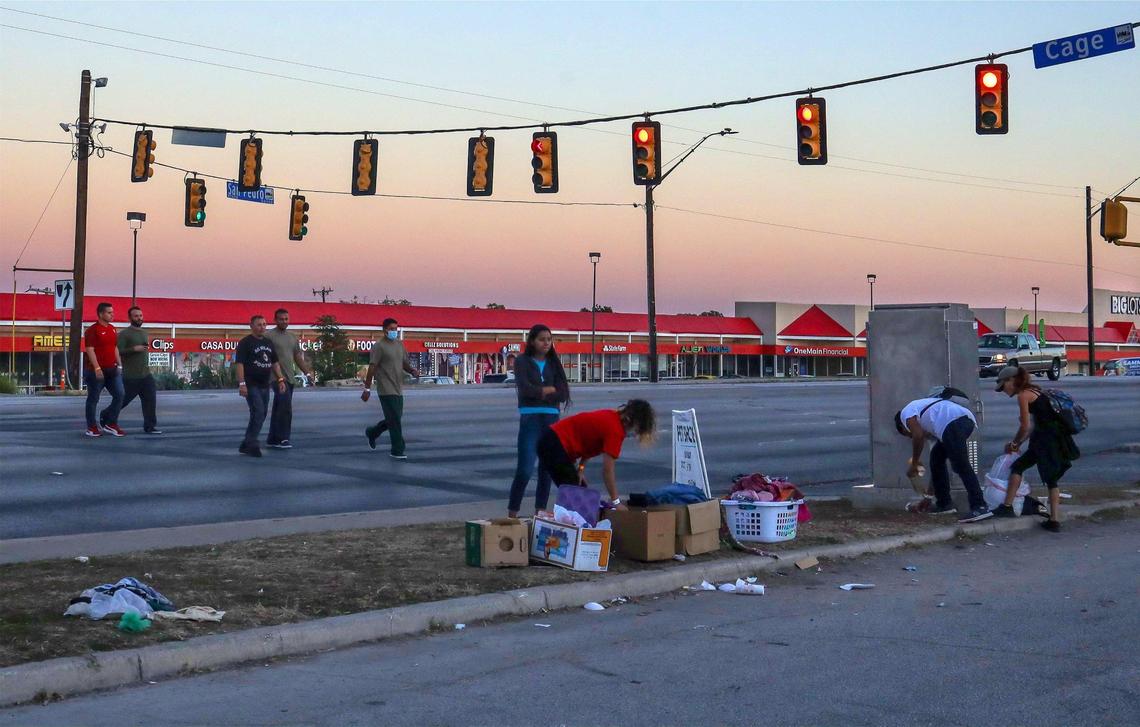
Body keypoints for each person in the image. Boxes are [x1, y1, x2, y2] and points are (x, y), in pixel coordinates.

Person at [994, 365, 1079, 532]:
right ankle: (1054, 520)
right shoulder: (1036, 392)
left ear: (1011, 380)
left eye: (1003, 386)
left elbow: (1025, 426)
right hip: (1055, 439)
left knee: (1017, 467)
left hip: (1044, 442)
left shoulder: (1023, 396)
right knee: (1051, 479)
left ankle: (1007, 506)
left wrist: (1015, 443)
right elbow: (1033, 426)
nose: (1004, 390)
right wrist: (1017, 444)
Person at [536, 399, 656, 509]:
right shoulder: (615, 431)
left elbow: (588, 443)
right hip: (554, 444)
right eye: (638, 430)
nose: (636, 434)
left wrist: (581, 469)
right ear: (633, 423)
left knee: (580, 492)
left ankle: (570, 523)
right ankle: (567, 526)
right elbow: (607, 471)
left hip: (553, 440)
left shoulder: (612, 416)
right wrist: (616, 502)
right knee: (577, 497)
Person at [507, 325, 571, 517]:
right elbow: (525, 389)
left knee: (546, 469)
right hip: (530, 418)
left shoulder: (554, 363)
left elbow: (563, 392)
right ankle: (512, 513)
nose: (546, 343)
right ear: (532, 341)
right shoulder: (522, 361)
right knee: (525, 468)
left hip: (552, 418)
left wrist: (545, 392)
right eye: (542, 339)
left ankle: (540, 513)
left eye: (549, 339)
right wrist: (546, 390)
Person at [895, 393, 991, 522]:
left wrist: (915, 464)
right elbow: (936, 472)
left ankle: (980, 506)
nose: (911, 436)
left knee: (961, 465)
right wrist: (928, 497)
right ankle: (944, 503)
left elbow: (918, 436)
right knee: (936, 459)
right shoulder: (928, 417)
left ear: (903, 427)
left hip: (952, 423)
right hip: (964, 420)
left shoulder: (905, 414)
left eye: (908, 434)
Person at [361, 318, 420, 459]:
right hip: (385, 388)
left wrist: (412, 370)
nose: (394, 331)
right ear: (384, 330)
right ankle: (397, 450)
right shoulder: (379, 346)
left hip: (398, 387)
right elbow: (372, 367)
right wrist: (367, 388)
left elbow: (403, 363)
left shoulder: (399, 345)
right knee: (394, 420)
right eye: (391, 329)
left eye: (396, 328)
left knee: (395, 418)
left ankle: (373, 432)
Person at [264, 308, 317, 449]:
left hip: (290, 377)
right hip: (275, 377)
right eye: (281, 319)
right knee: (285, 407)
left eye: (286, 319)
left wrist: (307, 373)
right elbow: (264, 357)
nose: (284, 321)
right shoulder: (268, 336)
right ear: (275, 320)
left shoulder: (292, 337)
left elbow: (297, 357)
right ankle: (283, 438)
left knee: (279, 407)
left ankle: (272, 438)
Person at [235, 315, 287, 457]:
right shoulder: (245, 343)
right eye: (259, 325)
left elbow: (274, 363)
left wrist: (280, 379)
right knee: (258, 412)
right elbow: (239, 364)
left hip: (265, 384)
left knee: (262, 414)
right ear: (251, 326)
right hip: (251, 384)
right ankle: (252, 443)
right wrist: (242, 384)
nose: (262, 327)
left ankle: (247, 443)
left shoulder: (268, 343)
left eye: (264, 324)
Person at [106, 305, 161, 434]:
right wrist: (133, 349)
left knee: (150, 401)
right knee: (123, 401)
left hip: (145, 375)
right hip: (131, 376)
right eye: (136, 316)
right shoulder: (124, 334)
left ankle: (150, 426)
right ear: (130, 318)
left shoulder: (144, 332)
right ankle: (106, 416)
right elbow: (116, 351)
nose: (139, 318)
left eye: (140, 316)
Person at [83, 301, 125, 437]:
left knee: (120, 394)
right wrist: (96, 368)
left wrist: (119, 364)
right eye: (109, 312)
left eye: (112, 312)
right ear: (101, 314)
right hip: (96, 372)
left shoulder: (112, 329)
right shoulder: (92, 330)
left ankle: (111, 423)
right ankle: (91, 427)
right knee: (93, 398)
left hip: (112, 370)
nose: (112, 315)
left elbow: (115, 348)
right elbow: (89, 350)